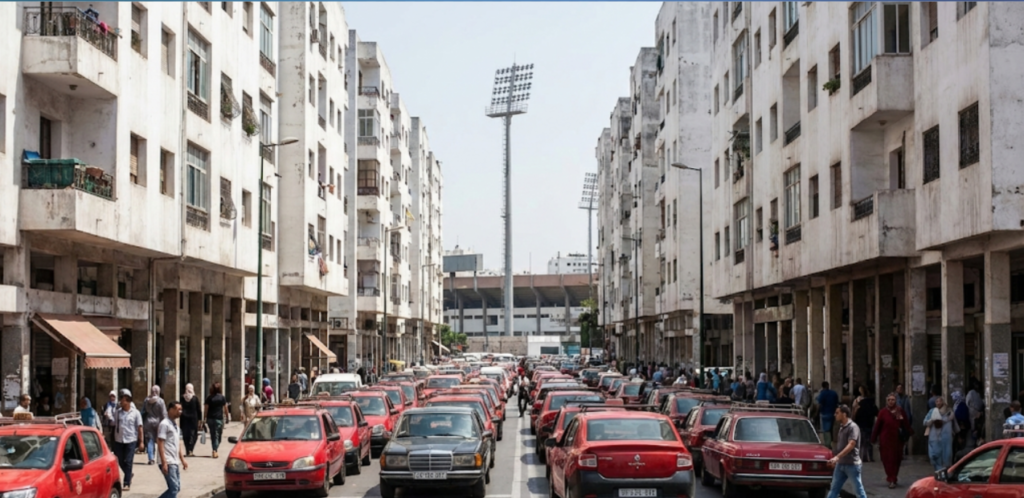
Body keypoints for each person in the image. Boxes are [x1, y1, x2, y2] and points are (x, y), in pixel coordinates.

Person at [871, 393, 912, 489]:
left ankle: (893, 477)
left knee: (896, 459)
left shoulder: (899, 411)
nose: (891, 401)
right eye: (889, 400)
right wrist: (873, 438)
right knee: (887, 459)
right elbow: (877, 426)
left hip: (897, 440)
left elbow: (906, 424)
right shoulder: (882, 412)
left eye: (893, 399)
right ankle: (891, 478)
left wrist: (908, 434)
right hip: (885, 440)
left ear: (896, 400)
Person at [826, 405, 868, 498]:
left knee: (858, 490)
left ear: (844, 414)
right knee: (834, 489)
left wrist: (837, 457)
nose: (834, 415)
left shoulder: (853, 427)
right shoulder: (841, 426)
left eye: (837, 413)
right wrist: (835, 458)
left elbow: (851, 444)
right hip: (841, 464)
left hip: (852, 464)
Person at [113, 390, 144, 492]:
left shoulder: (136, 413)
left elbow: (140, 428)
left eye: (122, 399)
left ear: (128, 400)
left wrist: (141, 442)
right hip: (119, 440)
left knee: (128, 461)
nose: (121, 401)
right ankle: (129, 473)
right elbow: (114, 425)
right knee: (120, 460)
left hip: (131, 440)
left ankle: (126, 483)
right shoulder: (117, 412)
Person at [158, 400, 188, 498]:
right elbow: (160, 442)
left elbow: (178, 444)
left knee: (176, 487)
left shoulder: (176, 426)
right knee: (174, 488)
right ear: (170, 410)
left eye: (181, 410)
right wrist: (164, 462)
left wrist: (183, 460)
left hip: (174, 461)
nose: (180, 412)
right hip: (168, 461)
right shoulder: (164, 424)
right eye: (177, 409)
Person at [925, 396, 958, 471]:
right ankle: (939, 473)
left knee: (947, 457)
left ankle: (945, 474)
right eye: (936, 401)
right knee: (934, 457)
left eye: (940, 401)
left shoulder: (949, 412)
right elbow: (925, 422)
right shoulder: (932, 412)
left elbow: (955, 425)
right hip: (935, 439)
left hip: (946, 439)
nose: (938, 403)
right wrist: (932, 420)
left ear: (943, 402)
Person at [203, 382, 229, 459]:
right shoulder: (222, 397)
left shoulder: (209, 398)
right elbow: (226, 408)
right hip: (218, 419)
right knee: (218, 435)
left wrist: (204, 418)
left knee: (214, 435)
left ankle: (215, 448)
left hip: (211, 419)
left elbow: (206, 409)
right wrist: (227, 417)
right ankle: (215, 450)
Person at [852, 386, 878, 463]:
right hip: (869, 423)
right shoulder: (871, 402)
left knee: (862, 441)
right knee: (869, 441)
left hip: (860, 423)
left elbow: (854, 413)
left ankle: (863, 457)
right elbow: (876, 412)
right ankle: (870, 456)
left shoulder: (858, 402)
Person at [143, 386, 168, 465]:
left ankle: (151, 458)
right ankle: (160, 458)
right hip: (158, 423)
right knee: (159, 440)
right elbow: (164, 413)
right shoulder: (160, 401)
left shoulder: (146, 400)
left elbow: (143, 411)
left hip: (148, 422)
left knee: (150, 441)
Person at [180, 384, 202, 458]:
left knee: (185, 435)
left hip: (184, 419)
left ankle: (187, 449)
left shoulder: (182, 398)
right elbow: (199, 410)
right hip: (193, 419)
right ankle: (190, 450)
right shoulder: (195, 398)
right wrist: (200, 419)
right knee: (193, 435)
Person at [817, 381, 840, 448]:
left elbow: (819, 404)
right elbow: (837, 403)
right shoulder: (834, 393)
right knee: (831, 428)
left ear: (822, 386)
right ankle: (832, 441)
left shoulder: (822, 394)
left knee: (825, 429)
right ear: (828, 385)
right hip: (833, 413)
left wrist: (816, 413)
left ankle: (828, 444)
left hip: (824, 413)